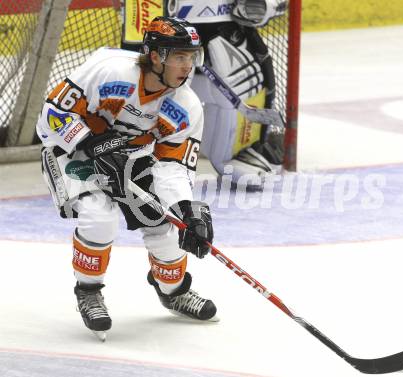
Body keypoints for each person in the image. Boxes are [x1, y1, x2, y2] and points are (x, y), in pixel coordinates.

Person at [36, 16, 217, 340]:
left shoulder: (186, 106)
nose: (187, 66)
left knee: (165, 224)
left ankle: (173, 292)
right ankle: (88, 291)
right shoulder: (109, 70)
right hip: (74, 151)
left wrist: (187, 209)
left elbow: (172, 167)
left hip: (132, 160)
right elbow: (52, 115)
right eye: (179, 56)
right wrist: (89, 142)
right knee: (98, 214)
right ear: (156, 55)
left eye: (192, 57)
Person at [122, 0, 286, 189]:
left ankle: (237, 154)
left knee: (243, 81)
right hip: (163, 24)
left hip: (225, 28)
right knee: (149, 90)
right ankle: (135, 158)